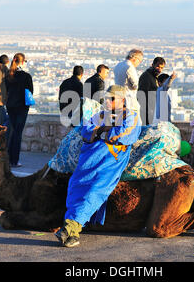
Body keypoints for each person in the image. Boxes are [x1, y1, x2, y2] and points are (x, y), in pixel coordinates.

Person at [55, 85, 141, 248]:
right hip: (90, 158)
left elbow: (125, 134)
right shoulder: (100, 115)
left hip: (110, 161)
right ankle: (72, 228)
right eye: (106, 98)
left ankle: (72, 227)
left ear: (122, 101)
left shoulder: (131, 116)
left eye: (111, 98)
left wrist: (101, 131)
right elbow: (86, 132)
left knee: (95, 188)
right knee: (76, 185)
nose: (107, 101)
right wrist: (104, 129)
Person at [5, 53, 33, 168]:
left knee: (10, 133)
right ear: (22, 62)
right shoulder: (26, 76)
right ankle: (14, 160)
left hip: (10, 106)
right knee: (18, 133)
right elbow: (30, 91)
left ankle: (7, 158)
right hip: (22, 107)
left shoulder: (9, 75)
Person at [113, 49, 143, 114]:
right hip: (129, 100)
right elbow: (135, 85)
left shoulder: (118, 65)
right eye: (139, 61)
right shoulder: (130, 67)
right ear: (134, 58)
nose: (139, 63)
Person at [138, 57, 166, 125]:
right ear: (152, 65)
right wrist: (148, 111)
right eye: (158, 67)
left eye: (161, 68)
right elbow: (141, 95)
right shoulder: (146, 76)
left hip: (152, 111)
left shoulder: (154, 77)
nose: (159, 70)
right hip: (147, 112)